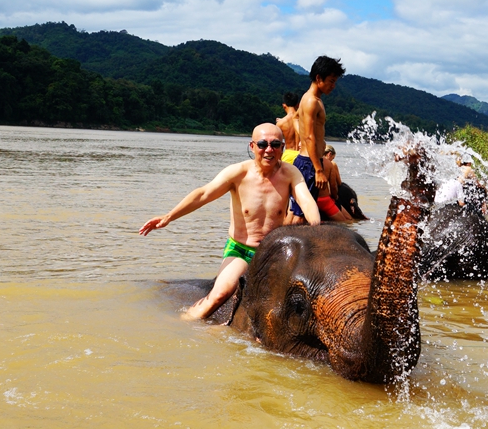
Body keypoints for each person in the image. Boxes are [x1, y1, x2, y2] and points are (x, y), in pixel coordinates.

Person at [140, 123, 321, 320]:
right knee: (219, 295)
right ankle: (183, 324)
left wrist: (318, 232)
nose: (269, 150)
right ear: (252, 147)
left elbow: (307, 202)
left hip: (273, 252)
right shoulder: (238, 173)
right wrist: (169, 216)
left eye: (275, 144)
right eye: (263, 144)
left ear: (283, 148)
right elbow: (204, 194)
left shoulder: (291, 173)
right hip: (241, 250)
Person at [289, 55, 346, 224]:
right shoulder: (312, 101)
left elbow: (295, 118)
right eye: (331, 81)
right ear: (318, 78)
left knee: (296, 213)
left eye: (335, 81)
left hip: (306, 160)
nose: (333, 86)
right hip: (309, 164)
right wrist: (318, 170)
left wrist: (303, 140)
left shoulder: (309, 99)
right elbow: (310, 136)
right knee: (300, 216)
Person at [276, 92, 301, 164]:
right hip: (302, 155)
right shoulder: (305, 121)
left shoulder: (281, 123)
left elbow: (278, 145)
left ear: (284, 105)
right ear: (298, 105)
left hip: (288, 155)